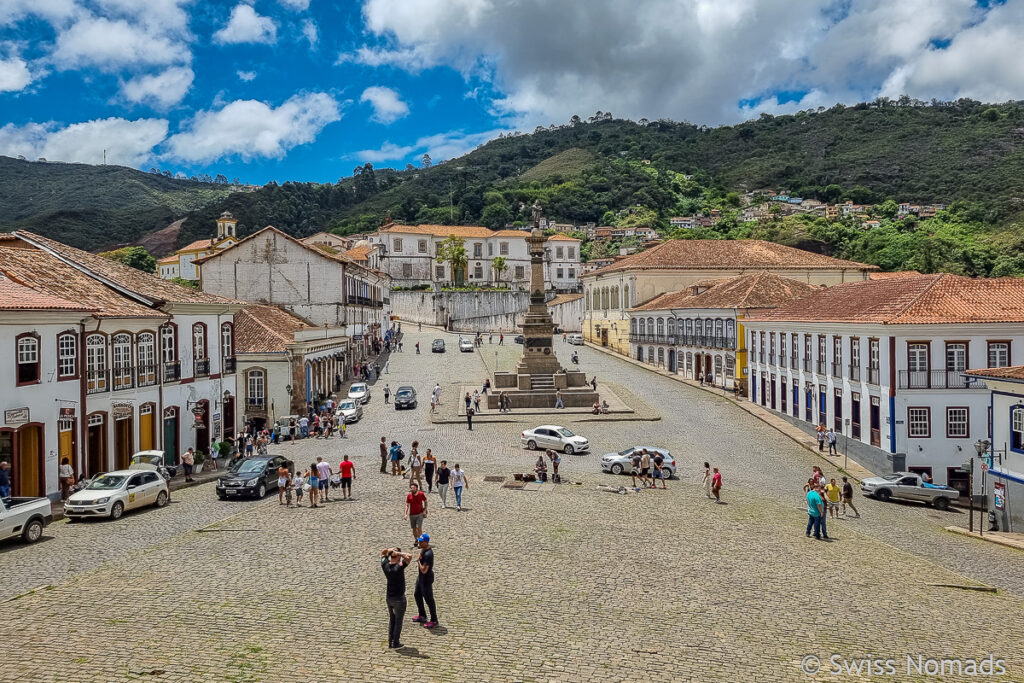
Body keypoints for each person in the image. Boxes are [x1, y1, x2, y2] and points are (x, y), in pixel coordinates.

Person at [381, 547, 412, 649]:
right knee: (398, 621)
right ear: (398, 557)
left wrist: (390, 551)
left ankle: (390, 641)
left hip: (389, 598)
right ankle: (396, 642)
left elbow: (383, 552)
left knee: (392, 619)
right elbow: (409, 557)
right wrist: (399, 552)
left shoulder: (385, 565)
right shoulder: (399, 567)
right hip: (399, 598)